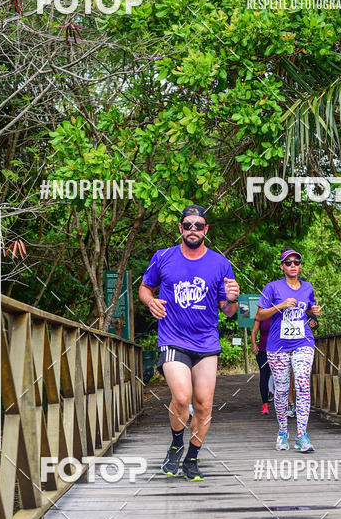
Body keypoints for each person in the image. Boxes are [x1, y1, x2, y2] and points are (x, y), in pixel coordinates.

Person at [138, 204, 240, 481]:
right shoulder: (163, 257)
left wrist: (232, 299)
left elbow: (227, 311)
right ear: (180, 228)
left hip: (206, 342)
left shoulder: (220, 263)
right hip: (172, 338)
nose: (193, 229)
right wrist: (150, 301)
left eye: (198, 225)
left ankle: (192, 458)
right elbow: (145, 287)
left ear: (206, 230)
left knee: (204, 404)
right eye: (188, 225)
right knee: (182, 397)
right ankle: (175, 444)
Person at [255, 249, 321, 452]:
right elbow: (260, 315)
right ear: (282, 266)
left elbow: (309, 310)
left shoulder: (307, 287)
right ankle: (283, 431)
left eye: (297, 262)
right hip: (278, 345)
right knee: (282, 390)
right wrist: (280, 305)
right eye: (288, 262)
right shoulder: (272, 287)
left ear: (300, 266)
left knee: (302, 384)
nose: (293, 265)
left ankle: (302, 435)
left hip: (303, 342)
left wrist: (313, 312)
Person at [251, 316, 272, 414]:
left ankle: (285, 404)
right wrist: (254, 344)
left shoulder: (279, 312)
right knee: (264, 377)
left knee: (281, 378)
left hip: (278, 350)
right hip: (263, 351)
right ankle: (265, 405)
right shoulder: (261, 314)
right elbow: (254, 331)